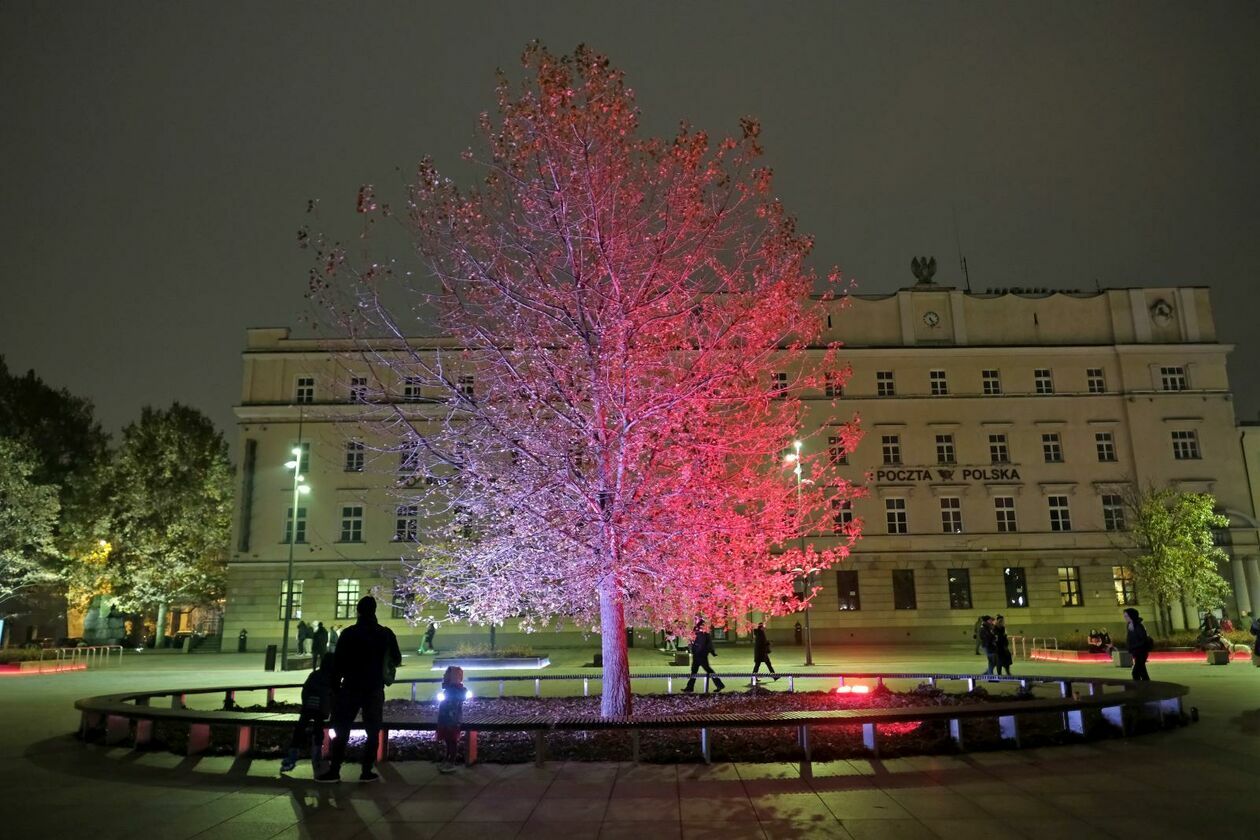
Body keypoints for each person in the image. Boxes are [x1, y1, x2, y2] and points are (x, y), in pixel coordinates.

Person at [316, 596, 402, 783]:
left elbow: (337, 663)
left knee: (342, 729)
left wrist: (335, 687)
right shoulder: (385, 633)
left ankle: (334, 770)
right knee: (372, 730)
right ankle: (366, 771)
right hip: (374, 687)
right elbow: (396, 658)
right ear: (374, 610)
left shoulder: (349, 633)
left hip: (351, 686)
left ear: (358, 611)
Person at [281, 652, 335, 773]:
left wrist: (306, 703)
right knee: (318, 728)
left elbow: (305, 691)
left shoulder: (315, 675)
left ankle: (292, 756)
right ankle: (316, 755)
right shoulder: (332, 677)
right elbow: (333, 696)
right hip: (321, 710)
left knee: (300, 729)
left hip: (308, 708)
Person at [435, 665, 468, 773]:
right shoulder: (450, 689)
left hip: (452, 720)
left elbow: (453, 705)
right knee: (448, 740)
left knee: (452, 741)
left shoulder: (454, 690)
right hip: (446, 718)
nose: (444, 676)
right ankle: (448, 759)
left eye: (446, 675)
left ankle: (451, 761)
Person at [681, 620, 724, 694]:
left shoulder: (702, 634)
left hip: (700, 655)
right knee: (696, 671)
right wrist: (712, 652)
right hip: (699, 655)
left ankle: (719, 685)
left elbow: (706, 644)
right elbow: (708, 644)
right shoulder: (702, 633)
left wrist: (711, 652)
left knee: (706, 670)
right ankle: (690, 687)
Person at [1124, 607, 1154, 681]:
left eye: (1126, 616)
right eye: (1124, 616)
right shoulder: (1129, 625)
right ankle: (1146, 688)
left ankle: (1141, 688)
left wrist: (1133, 646)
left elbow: (1143, 640)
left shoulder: (1138, 626)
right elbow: (1130, 638)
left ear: (1132, 616)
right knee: (1142, 672)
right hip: (1137, 652)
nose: (1125, 618)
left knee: (1136, 672)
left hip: (1141, 652)